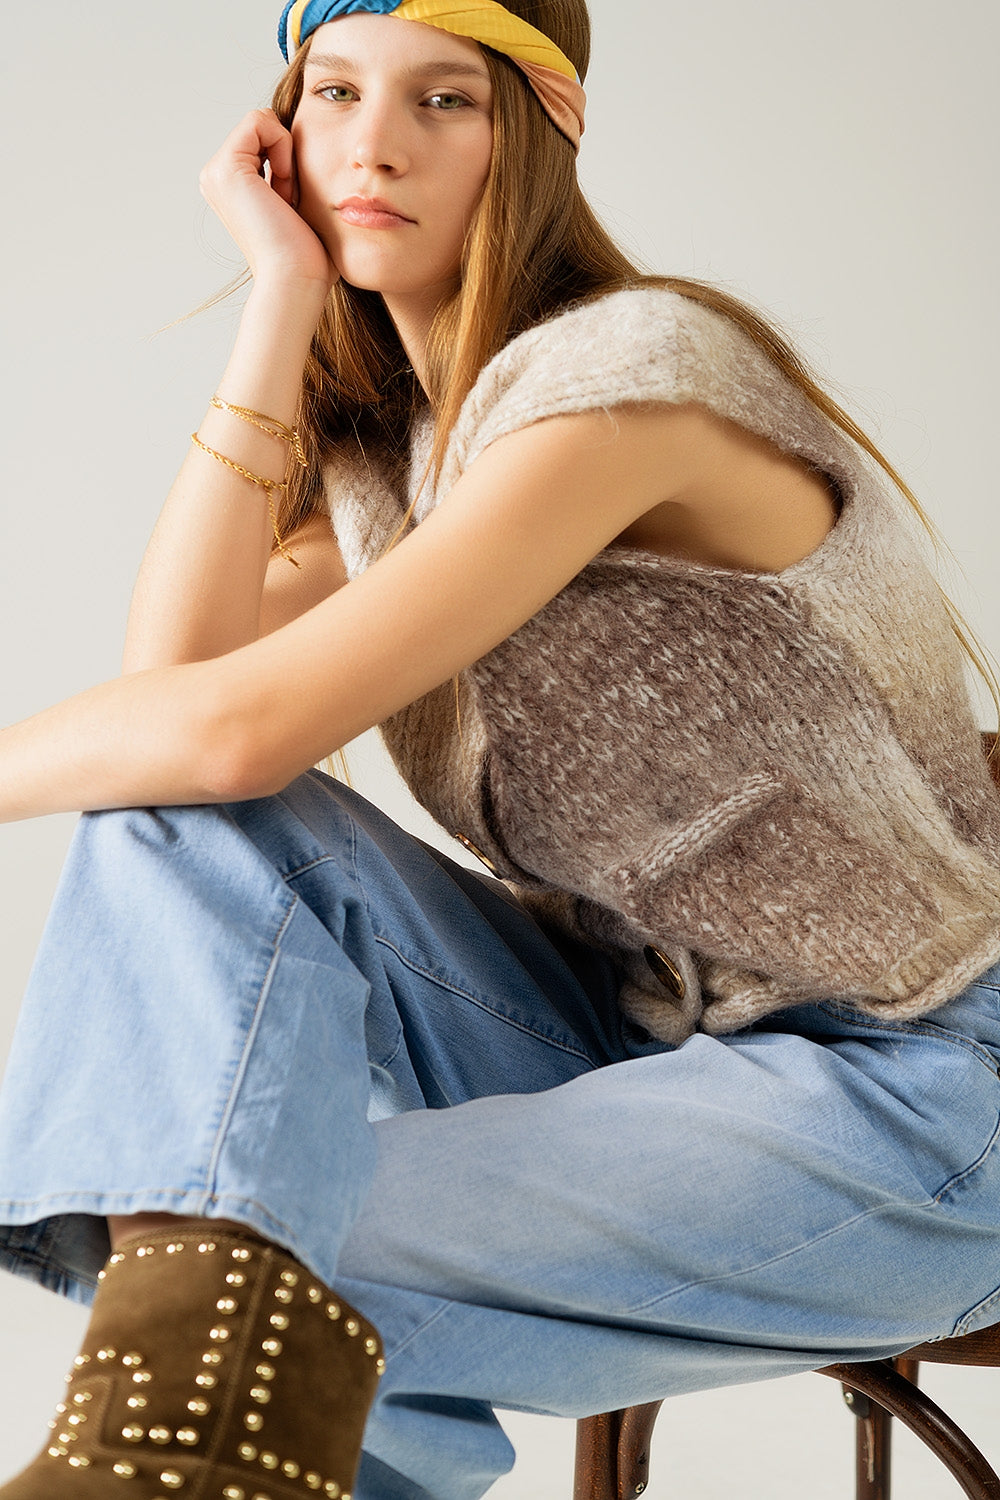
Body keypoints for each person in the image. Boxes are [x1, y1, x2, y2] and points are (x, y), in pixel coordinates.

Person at [2, 0, 1000, 1495]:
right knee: (188, 936)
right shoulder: (398, 457)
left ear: (531, 138)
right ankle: (193, 1454)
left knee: (253, 1260)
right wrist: (276, 300)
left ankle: (185, 1459)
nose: (373, 146)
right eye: (331, 93)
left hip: (916, 1085)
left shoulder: (629, 379)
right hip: (642, 1032)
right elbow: (176, 704)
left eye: (444, 102)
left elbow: (220, 725)